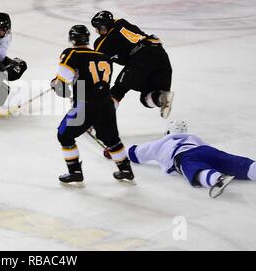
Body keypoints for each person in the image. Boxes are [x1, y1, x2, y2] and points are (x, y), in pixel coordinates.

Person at [51, 25, 134, 184]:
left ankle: (75, 171)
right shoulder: (103, 56)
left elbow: (61, 84)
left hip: (85, 104)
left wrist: (54, 83)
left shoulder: (71, 53)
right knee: (112, 139)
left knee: (64, 135)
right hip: (107, 104)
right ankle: (126, 170)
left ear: (72, 39)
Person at [127, 120, 256, 198]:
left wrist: (114, 152)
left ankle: (216, 178)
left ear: (167, 132)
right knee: (227, 159)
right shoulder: (192, 138)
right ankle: (252, 168)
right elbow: (211, 151)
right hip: (204, 150)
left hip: (183, 156)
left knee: (193, 168)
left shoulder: (160, 143)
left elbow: (136, 152)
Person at [91, 10, 174, 119]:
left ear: (103, 27)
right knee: (146, 98)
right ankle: (161, 97)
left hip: (142, 58)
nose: (97, 31)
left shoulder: (102, 43)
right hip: (160, 53)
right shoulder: (120, 22)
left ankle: (100, 119)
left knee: (118, 90)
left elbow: (100, 66)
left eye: (98, 28)